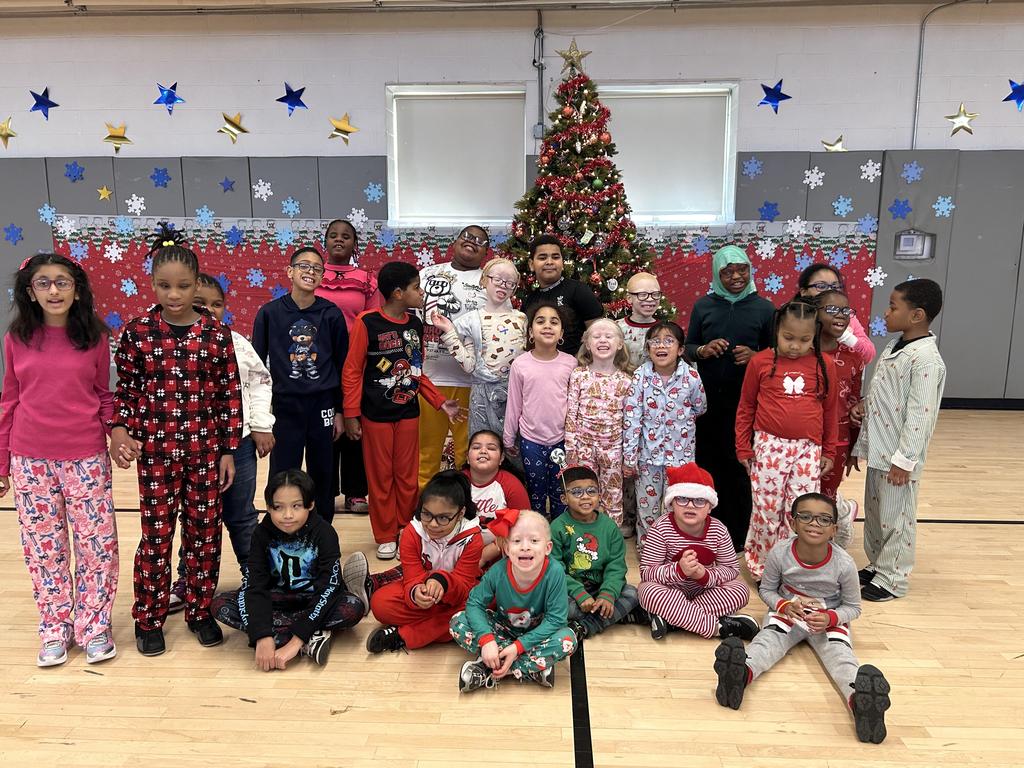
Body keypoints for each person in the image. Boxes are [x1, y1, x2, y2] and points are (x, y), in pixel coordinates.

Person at [110, 224, 241, 656]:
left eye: (183, 286)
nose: (174, 294)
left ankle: (200, 611)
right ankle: (148, 618)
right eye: (164, 286)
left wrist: (228, 449)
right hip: (156, 455)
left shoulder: (216, 334)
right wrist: (121, 429)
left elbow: (229, 395)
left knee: (204, 534)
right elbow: (127, 391)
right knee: (156, 536)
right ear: (152, 284)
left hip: (205, 453)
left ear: (197, 284)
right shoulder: (137, 332)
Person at [0, 254, 119, 666]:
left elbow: (103, 395)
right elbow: (9, 399)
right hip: (30, 460)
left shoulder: (95, 337)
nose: (54, 290)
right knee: (44, 549)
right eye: (44, 283)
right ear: (30, 292)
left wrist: (117, 433)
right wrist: (1, 464)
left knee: (96, 546)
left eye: (62, 282)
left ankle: (94, 626)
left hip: (86, 458)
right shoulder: (16, 339)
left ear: (77, 289)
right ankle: (55, 627)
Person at [713, 493, 891, 745]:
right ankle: (740, 674)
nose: (814, 523)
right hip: (788, 612)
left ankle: (861, 703)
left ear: (834, 529)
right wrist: (784, 605)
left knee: (842, 658)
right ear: (793, 522)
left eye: (824, 519)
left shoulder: (844, 563)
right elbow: (767, 590)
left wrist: (831, 617)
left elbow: (853, 607)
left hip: (828, 617)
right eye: (806, 516)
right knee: (766, 642)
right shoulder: (780, 553)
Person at [168, 273, 275, 614]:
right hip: (190, 447)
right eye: (201, 304)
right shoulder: (170, 343)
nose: (210, 310)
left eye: (217, 304)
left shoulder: (235, 341)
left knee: (241, 515)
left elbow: (260, 382)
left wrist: (261, 424)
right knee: (194, 516)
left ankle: (255, 575)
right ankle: (189, 578)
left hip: (238, 444)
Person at [342, 261, 463, 560]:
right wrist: (351, 413)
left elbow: (417, 371)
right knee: (381, 478)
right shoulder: (367, 322)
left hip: (409, 413)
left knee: (408, 478)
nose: (421, 293)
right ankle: (385, 535)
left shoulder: (415, 324)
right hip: (375, 416)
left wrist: (439, 401)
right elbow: (352, 371)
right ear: (398, 293)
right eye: (416, 288)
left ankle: (405, 529)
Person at [211, 469, 368, 669]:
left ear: (310, 504)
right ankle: (314, 634)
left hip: (313, 599)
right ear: (268, 507)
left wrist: (296, 641)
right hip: (277, 600)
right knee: (220, 604)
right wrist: (261, 636)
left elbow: (328, 589)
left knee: (353, 607)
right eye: (278, 507)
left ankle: (291, 635)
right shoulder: (261, 534)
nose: (287, 515)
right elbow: (255, 585)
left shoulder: (324, 533)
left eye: (296, 506)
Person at [850, 279, 946, 602]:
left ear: (917, 315)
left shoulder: (926, 360)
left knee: (897, 518)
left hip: (898, 459)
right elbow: (887, 392)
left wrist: (904, 461)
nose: (886, 313)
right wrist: (865, 406)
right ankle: (879, 564)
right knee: (877, 514)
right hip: (879, 449)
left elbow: (920, 415)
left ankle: (894, 578)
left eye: (893, 307)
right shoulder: (896, 345)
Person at [735, 300, 838, 581]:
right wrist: (743, 447)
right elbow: (746, 407)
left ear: (815, 335)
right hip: (769, 446)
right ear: (776, 331)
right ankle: (763, 568)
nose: (795, 346)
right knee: (767, 510)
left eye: (804, 340)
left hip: (808, 449)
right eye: (788, 337)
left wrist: (829, 450)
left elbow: (830, 411)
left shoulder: (824, 364)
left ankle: (794, 569)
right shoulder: (760, 362)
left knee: (803, 509)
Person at [685, 245, 775, 552]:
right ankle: (708, 529)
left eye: (742, 270)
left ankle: (740, 533)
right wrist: (703, 350)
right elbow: (689, 346)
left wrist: (755, 356)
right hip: (708, 404)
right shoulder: (703, 306)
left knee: (741, 467)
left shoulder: (764, 308)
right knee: (709, 464)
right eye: (727, 272)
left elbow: (778, 352)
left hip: (747, 404)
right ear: (716, 274)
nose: (736, 277)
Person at [252, 246, 348, 524]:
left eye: (317, 268)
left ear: (322, 276)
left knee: (323, 471)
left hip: (322, 404)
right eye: (304, 266)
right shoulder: (269, 313)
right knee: (283, 470)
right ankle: (279, 526)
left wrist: (340, 410)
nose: (310, 271)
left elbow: (342, 365)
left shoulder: (331, 314)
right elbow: (257, 367)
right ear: (290, 272)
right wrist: (260, 417)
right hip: (285, 405)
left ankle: (321, 528)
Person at [449, 508, 577, 691]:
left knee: (567, 639)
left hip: (538, 634)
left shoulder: (555, 572)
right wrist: (487, 640)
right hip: (503, 630)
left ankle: (493, 667)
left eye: (534, 541)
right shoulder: (498, 571)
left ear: (547, 548)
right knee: (458, 622)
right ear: (507, 548)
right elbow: (474, 603)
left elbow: (556, 620)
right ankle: (530, 667)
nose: (525, 547)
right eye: (517, 541)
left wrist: (518, 647)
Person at [366, 470, 483, 654]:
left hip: (456, 596)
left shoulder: (472, 538)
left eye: (443, 518)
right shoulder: (412, 533)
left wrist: (442, 581)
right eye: (427, 514)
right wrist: (416, 593)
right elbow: (412, 578)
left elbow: (464, 586)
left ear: (460, 514)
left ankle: (402, 635)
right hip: (428, 597)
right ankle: (446, 626)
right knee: (380, 604)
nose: (433, 524)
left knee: (485, 602)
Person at [637, 463, 756, 642]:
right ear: (671, 503)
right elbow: (647, 572)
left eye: (700, 500)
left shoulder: (718, 530)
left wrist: (705, 575)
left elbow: (731, 569)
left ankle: (673, 619)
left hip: (705, 590)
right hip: (670, 589)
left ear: (710, 506)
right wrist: (678, 570)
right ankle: (718, 628)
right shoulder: (660, 528)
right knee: (647, 591)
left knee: (740, 590)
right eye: (682, 499)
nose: (691, 506)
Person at [623, 322, 707, 549]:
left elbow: (700, 407)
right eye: (655, 341)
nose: (661, 346)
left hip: (680, 459)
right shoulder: (640, 376)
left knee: (678, 506)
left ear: (680, 349)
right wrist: (629, 457)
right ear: (648, 348)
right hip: (647, 458)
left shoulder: (691, 376)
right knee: (647, 509)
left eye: (669, 341)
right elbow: (632, 417)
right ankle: (648, 550)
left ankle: (674, 548)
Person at [417, 225, 488, 491]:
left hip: (471, 381)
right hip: (429, 379)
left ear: (485, 252)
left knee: (467, 453)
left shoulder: (489, 280)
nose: (472, 242)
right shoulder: (427, 273)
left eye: (480, 241)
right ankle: (421, 503)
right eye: (467, 237)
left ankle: (467, 502)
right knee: (425, 451)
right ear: (455, 242)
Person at [316, 218, 380, 514]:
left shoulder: (366, 279)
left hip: (357, 361)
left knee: (354, 424)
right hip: (319, 362)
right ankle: (324, 492)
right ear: (325, 242)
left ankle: (356, 492)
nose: (339, 240)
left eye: (346, 236)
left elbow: (374, 320)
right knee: (325, 424)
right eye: (333, 235)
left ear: (355, 244)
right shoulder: (313, 274)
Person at [431, 257, 526, 437]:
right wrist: (449, 331)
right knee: (482, 440)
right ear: (484, 280)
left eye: (510, 283)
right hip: (482, 396)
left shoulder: (521, 318)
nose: (503, 285)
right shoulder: (470, 321)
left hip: (515, 394)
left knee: (513, 442)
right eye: (497, 279)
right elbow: (469, 366)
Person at [550, 465, 646, 640]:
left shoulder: (609, 527)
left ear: (599, 495)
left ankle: (585, 626)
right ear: (564, 498)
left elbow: (616, 566)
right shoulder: (557, 527)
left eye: (591, 491)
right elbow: (554, 568)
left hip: (599, 587)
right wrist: (578, 593)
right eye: (576, 492)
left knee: (632, 594)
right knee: (553, 603)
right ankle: (616, 616)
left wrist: (608, 594)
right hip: (570, 590)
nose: (585, 496)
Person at [503, 302, 577, 520]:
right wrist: (508, 438)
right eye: (540, 321)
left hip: (561, 440)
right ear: (530, 332)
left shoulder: (571, 364)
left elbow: (575, 405)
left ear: (561, 333)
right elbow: (514, 404)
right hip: (531, 440)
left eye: (554, 322)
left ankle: (559, 531)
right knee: (536, 492)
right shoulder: (520, 364)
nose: (547, 326)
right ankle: (537, 530)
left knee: (560, 492)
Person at [564, 319, 633, 530]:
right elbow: (571, 413)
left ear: (620, 344)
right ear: (587, 343)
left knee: (613, 495)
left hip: (613, 449)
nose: (602, 340)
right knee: (582, 493)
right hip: (583, 448)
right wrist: (571, 448)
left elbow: (629, 421)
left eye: (608, 336)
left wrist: (628, 455)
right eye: (596, 336)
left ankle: (610, 537)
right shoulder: (579, 375)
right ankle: (582, 536)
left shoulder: (626, 380)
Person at [815, 289, 864, 549]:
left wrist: (854, 447)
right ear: (815, 314)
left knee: (827, 496)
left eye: (846, 310)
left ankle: (827, 548)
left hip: (838, 441)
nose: (841, 315)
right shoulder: (801, 352)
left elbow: (854, 404)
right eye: (832, 309)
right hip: (803, 440)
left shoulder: (853, 357)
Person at [520, 235, 604, 356]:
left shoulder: (578, 290)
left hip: (575, 364)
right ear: (531, 264)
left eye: (555, 257)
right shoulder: (529, 300)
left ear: (562, 263)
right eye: (542, 257)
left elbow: (598, 333)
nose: (549, 262)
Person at [463, 429, 529, 568]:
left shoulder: (512, 485)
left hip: (499, 554)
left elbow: (524, 525)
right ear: (467, 457)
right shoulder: (457, 482)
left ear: (501, 458)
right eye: (476, 447)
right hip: (459, 551)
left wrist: (487, 554)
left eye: (491, 448)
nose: (483, 451)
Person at [795, 262, 876, 365]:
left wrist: (845, 336)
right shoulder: (792, 317)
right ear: (804, 292)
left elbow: (868, 355)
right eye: (821, 286)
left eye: (835, 286)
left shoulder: (846, 318)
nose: (830, 291)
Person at [617, 271, 662, 366]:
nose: (650, 299)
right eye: (642, 294)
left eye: (655, 294)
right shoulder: (616, 328)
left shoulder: (666, 329)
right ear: (629, 298)